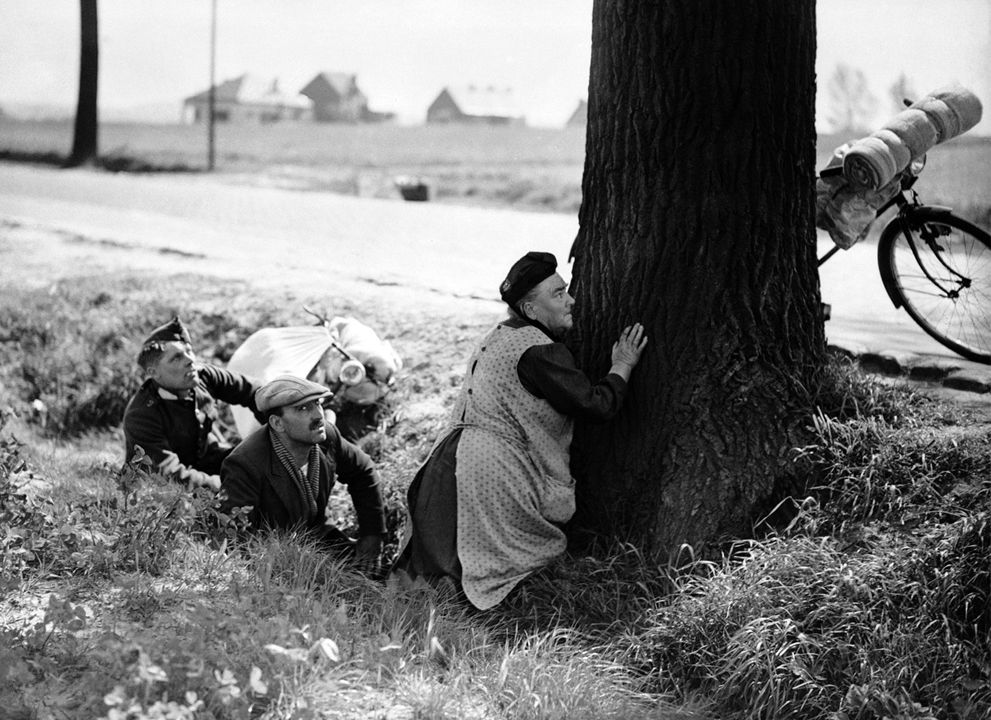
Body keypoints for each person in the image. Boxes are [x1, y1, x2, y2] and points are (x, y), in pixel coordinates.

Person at [394, 251, 648, 610]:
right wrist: (621, 366)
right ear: (530, 310)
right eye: (558, 294)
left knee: (441, 564)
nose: (571, 300)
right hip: (486, 473)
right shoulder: (538, 350)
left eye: (566, 290)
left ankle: (427, 609)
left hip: (449, 459)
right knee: (486, 564)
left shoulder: (499, 335)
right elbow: (596, 406)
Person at [219, 374, 385, 566]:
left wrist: (372, 534)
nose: (318, 415)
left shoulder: (326, 435)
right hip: (273, 558)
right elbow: (235, 538)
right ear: (277, 423)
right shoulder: (244, 465)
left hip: (319, 536)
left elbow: (363, 471)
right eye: (303, 408)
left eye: (317, 403)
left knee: (377, 575)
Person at [123, 316, 261, 491]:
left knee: (261, 462)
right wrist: (225, 483)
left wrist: (280, 427)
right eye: (176, 358)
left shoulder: (204, 376)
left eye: (189, 351)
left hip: (205, 461)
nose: (190, 360)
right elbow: (168, 475)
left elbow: (256, 392)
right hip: (160, 490)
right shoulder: (141, 415)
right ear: (154, 372)